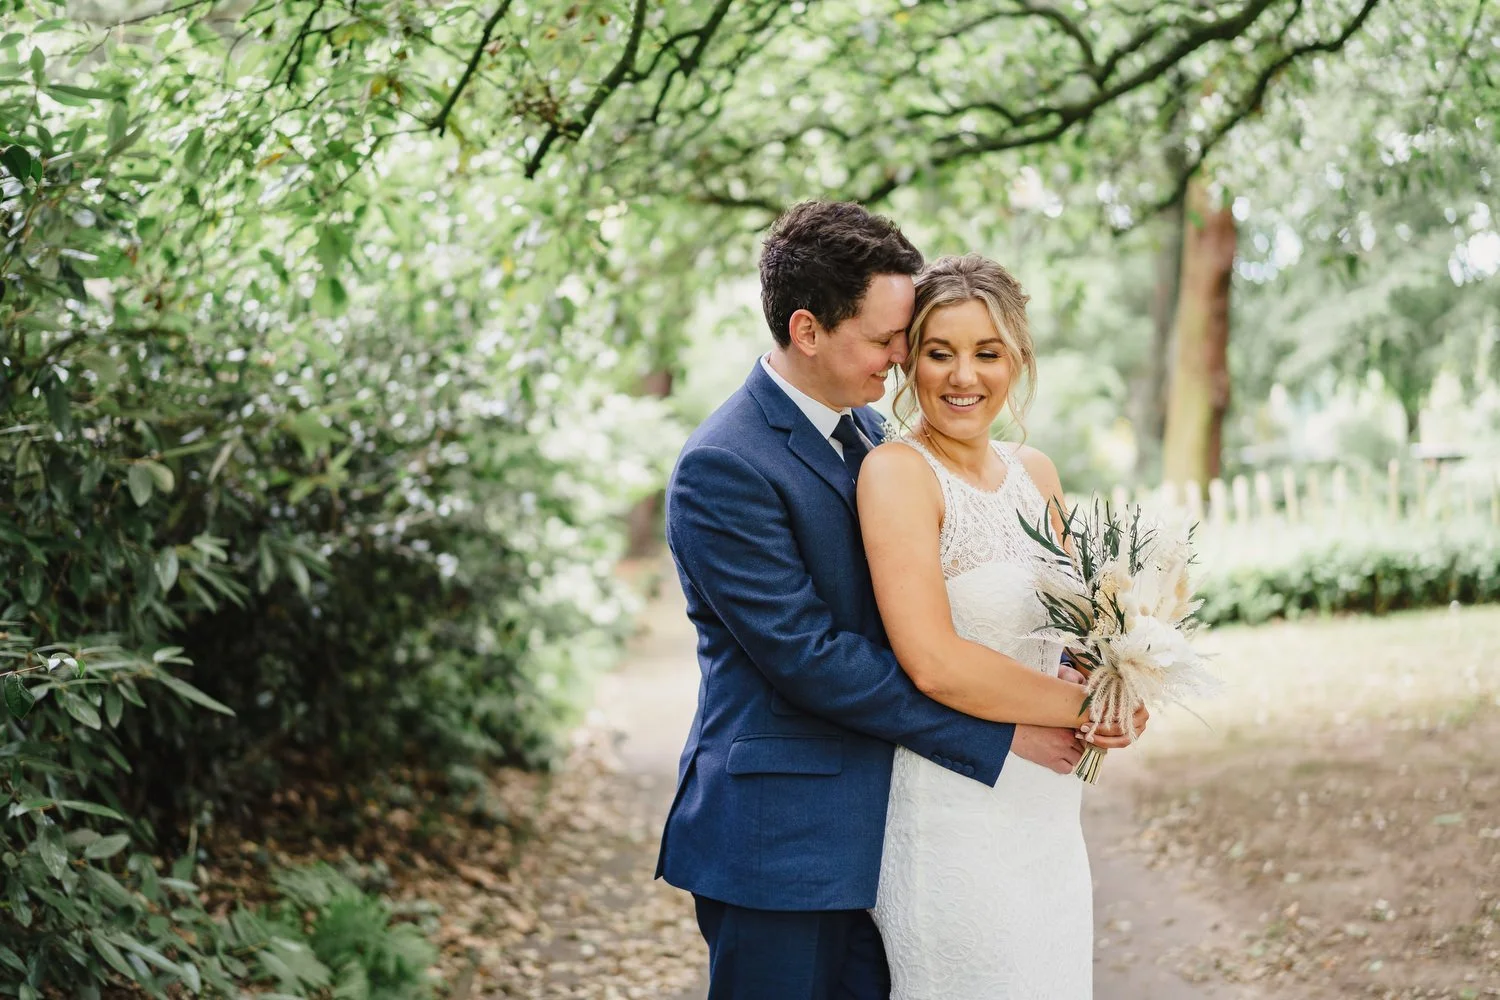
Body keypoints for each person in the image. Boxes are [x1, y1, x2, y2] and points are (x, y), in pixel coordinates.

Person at [655, 201, 1141, 999]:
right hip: (786, 838)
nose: (900, 358)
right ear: (808, 330)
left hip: (900, 816)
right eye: (889, 340)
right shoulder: (725, 464)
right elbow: (812, 658)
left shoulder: (874, 435)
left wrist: (1114, 675)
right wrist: (1006, 728)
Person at [861, 252, 1142, 997]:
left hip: (1045, 814)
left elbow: (1080, 633)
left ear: (1016, 358)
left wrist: (1118, 695)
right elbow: (933, 660)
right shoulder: (896, 473)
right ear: (909, 362)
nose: (964, 377)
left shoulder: (1035, 472)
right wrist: (1082, 707)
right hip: (955, 815)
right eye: (939, 353)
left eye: (987, 353)